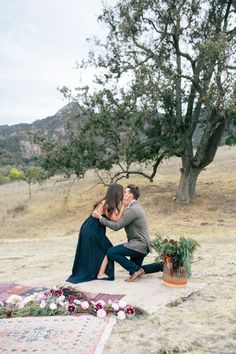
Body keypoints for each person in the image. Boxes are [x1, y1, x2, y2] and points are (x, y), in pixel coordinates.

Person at [66, 183, 125, 284]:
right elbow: (116, 219)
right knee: (109, 248)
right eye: (121, 193)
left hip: (90, 227)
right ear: (117, 194)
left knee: (98, 249)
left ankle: (96, 272)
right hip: (92, 229)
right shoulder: (106, 204)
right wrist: (123, 206)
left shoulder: (106, 202)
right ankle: (100, 274)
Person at [92, 184, 152, 282]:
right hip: (142, 245)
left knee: (111, 252)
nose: (122, 193)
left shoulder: (133, 210)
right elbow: (117, 219)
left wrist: (100, 218)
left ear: (130, 196)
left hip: (139, 245)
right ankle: (160, 266)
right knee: (133, 272)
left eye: (125, 192)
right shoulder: (134, 207)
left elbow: (116, 226)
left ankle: (137, 270)